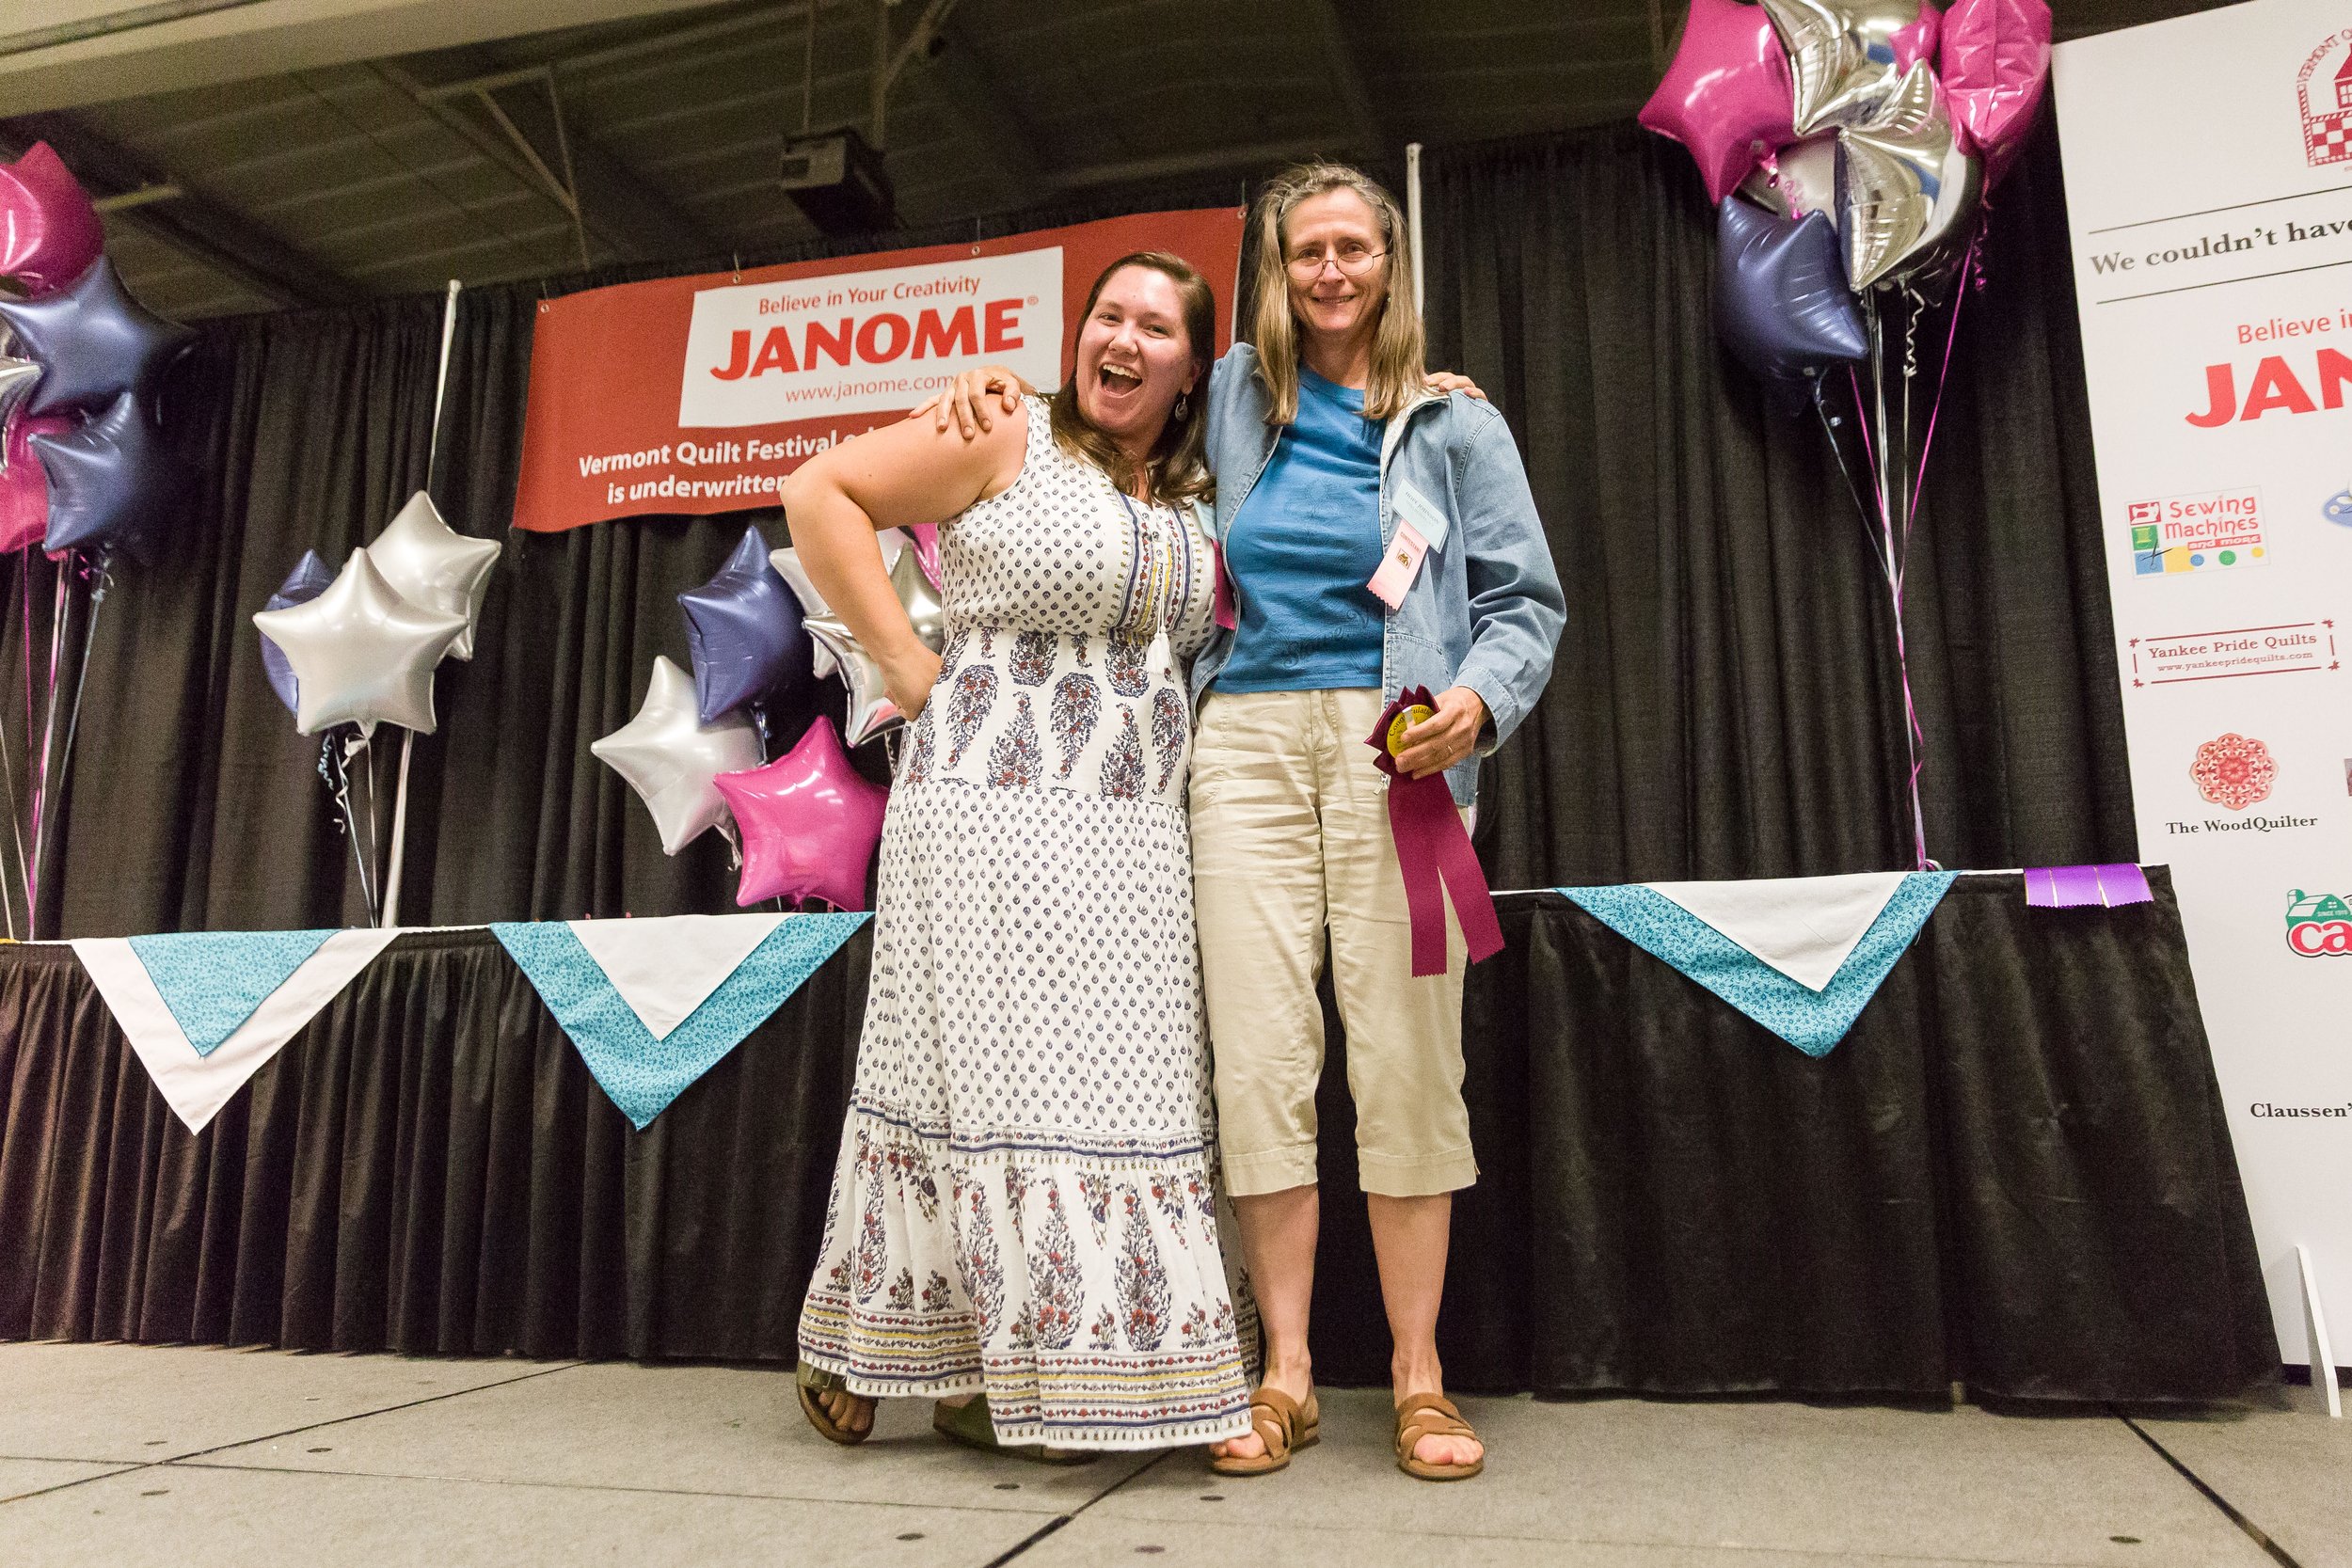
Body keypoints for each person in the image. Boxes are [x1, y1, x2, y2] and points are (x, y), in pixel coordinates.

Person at [929, 163, 1564, 1482]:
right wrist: (994, 392)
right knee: (1261, 1063)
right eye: (1302, 254)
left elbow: (1527, 606)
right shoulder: (1227, 395)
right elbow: (1111, 403)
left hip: (1399, 750)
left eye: (1350, 248)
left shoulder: (1455, 428)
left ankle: (1418, 1375)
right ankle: (1281, 1370)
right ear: (1274, 275)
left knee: (1403, 1061)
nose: (1328, 272)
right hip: (1241, 752)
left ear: (1388, 264)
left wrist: (1475, 702)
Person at [783, 252, 1251, 1458]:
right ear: (1078, 333)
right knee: (983, 1072)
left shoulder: (1196, 490)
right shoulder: (1006, 431)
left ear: (1193, 364)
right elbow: (819, 491)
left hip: (1139, 829)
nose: (1126, 339)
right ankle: (876, 1340)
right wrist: (906, 663)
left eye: (1158, 326)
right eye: (1109, 315)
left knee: (1125, 1081)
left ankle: (995, 1359)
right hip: (996, 805)